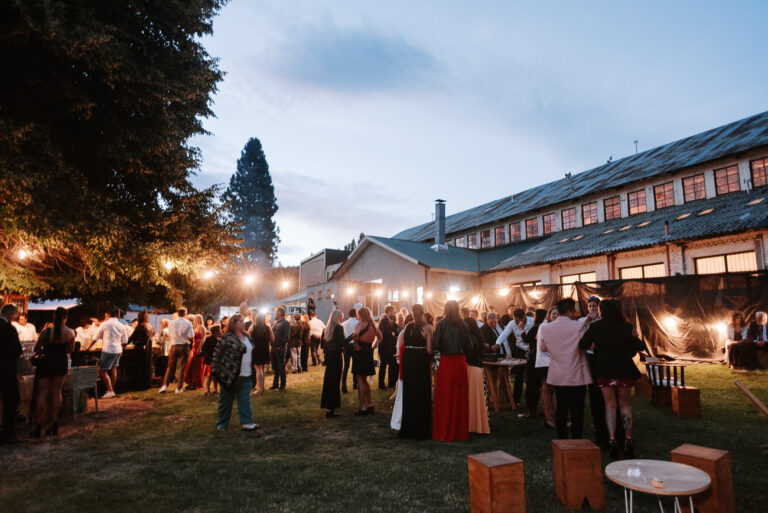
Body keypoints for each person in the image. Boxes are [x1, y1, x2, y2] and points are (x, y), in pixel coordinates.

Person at [579, 299, 644, 459]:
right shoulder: (626, 326)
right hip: (624, 370)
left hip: (605, 371)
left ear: (603, 311)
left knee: (610, 406)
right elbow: (639, 346)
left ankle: (612, 440)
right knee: (625, 404)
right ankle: (628, 440)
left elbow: (583, 344)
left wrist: (596, 345)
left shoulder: (596, 327)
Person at [539, 298, 592, 440]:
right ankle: (576, 438)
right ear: (569, 311)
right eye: (574, 310)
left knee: (561, 409)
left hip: (558, 374)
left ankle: (561, 438)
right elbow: (588, 345)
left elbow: (543, 348)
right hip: (577, 374)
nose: (575, 313)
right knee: (577, 410)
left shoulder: (546, 328)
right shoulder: (578, 326)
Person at [31, 307, 75, 439]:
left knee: (42, 393)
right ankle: (54, 424)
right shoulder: (70, 332)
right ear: (65, 318)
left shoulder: (47, 332)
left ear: (54, 317)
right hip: (60, 363)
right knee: (57, 392)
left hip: (47, 362)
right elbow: (70, 349)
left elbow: (37, 348)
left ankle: (38, 425)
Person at [212, 314, 259, 431]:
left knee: (244, 399)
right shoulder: (227, 337)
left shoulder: (247, 336)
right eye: (241, 321)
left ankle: (247, 422)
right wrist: (215, 371)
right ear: (234, 324)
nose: (244, 323)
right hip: (230, 375)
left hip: (246, 374)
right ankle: (222, 424)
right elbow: (217, 354)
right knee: (225, 401)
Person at [432, 300, 471, 442]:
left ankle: (445, 429)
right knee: (459, 397)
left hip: (447, 362)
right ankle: (460, 431)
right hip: (460, 361)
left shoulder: (441, 324)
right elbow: (468, 345)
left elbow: (436, 344)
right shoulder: (464, 324)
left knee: (446, 396)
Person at [397, 306, 433, 438]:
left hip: (408, 359)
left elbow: (402, 344)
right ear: (423, 313)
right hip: (420, 359)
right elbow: (429, 350)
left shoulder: (408, 327)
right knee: (421, 392)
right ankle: (421, 428)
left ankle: (408, 427)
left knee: (409, 392)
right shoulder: (427, 328)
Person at [493, 308, 529, 407]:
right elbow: (504, 334)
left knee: (530, 377)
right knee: (519, 376)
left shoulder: (531, 321)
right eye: (515, 319)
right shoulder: (512, 323)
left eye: (518, 320)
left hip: (531, 350)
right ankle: (515, 400)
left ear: (524, 317)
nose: (516, 322)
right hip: (520, 350)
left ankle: (529, 401)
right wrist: (497, 343)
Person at [88, 308, 127, 399]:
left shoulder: (105, 324)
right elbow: (125, 341)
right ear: (117, 315)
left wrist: (88, 348)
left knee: (102, 371)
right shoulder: (121, 325)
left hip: (108, 350)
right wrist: (120, 346)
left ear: (107, 315)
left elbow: (95, 337)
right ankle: (111, 390)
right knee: (114, 369)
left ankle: (110, 390)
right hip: (118, 350)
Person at [464, 308, 490, 435]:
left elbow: (468, 354)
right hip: (478, 369)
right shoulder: (478, 337)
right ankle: (477, 424)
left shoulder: (470, 339)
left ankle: (471, 424)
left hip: (470, 368)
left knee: (471, 398)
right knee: (477, 399)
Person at [352, 307, 382, 415]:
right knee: (364, 380)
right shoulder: (373, 326)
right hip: (368, 352)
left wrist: (355, 344)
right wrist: (373, 347)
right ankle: (369, 403)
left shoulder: (359, 324)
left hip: (360, 352)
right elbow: (380, 337)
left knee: (360, 379)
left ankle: (362, 407)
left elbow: (355, 334)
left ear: (360, 315)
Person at [0, 304, 23, 444]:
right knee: (12, 399)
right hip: (7, 369)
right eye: (16, 315)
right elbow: (18, 350)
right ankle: (9, 433)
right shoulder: (9, 328)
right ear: (10, 314)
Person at [158, 308, 194, 394]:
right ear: (185, 314)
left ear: (178, 313)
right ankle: (178, 388)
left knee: (169, 366)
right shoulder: (188, 323)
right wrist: (185, 337)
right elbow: (192, 336)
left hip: (174, 346)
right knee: (182, 367)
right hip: (184, 346)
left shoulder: (172, 323)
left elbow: (170, 334)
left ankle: (164, 386)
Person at [522, 309, 547, 419]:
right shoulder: (546, 326)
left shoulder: (537, 327)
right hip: (545, 360)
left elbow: (526, 339)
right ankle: (545, 409)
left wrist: (522, 329)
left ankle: (532, 409)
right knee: (545, 386)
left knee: (532, 384)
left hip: (534, 360)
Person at [536, 307, 558, 428]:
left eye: (557, 314)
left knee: (553, 388)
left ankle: (553, 413)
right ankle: (548, 417)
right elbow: (543, 345)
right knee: (546, 389)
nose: (555, 316)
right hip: (545, 362)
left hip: (553, 361)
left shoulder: (550, 326)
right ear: (549, 315)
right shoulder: (544, 326)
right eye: (553, 313)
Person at [321, 310, 346, 418]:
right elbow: (342, 342)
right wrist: (352, 337)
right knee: (335, 382)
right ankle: (332, 409)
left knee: (328, 381)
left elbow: (322, 345)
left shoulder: (325, 329)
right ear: (338, 317)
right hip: (336, 357)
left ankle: (328, 407)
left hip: (328, 357)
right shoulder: (339, 328)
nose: (342, 319)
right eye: (341, 317)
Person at [127, 310, 154, 390]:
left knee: (139, 367)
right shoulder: (150, 326)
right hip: (147, 348)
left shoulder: (140, 326)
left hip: (140, 348)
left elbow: (132, 337)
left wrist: (124, 344)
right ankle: (146, 384)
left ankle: (139, 384)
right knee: (147, 366)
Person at [250, 313, 272, 395]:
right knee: (262, 369)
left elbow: (248, 336)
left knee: (258, 369)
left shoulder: (253, 327)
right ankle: (262, 388)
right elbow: (272, 338)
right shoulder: (268, 327)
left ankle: (259, 389)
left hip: (256, 350)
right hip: (265, 350)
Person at [378, 305, 398, 391]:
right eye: (392, 312)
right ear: (389, 311)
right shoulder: (385, 319)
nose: (393, 313)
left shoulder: (386, 319)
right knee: (389, 365)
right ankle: (388, 384)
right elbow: (385, 332)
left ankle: (382, 384)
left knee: (384, 365)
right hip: (386, 346)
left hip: (385, 346)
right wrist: (393, 334)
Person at [270, 307, 290, 391]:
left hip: (280, 348)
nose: (274, 314)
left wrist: (280, 346)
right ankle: (275, 384)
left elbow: (286, 337)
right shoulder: (274, 323)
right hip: (273, 348)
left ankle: (282, 386)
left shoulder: (285, 323)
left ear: (279, 313)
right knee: (274, 367)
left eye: (275, 312)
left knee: (281, 367)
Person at [184, 314, 206, 390]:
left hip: (198, 347)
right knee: (191, 365)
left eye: (199, 318)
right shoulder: (195, 328)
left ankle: (198, 383)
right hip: (193, 347)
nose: (197, 320)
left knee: (198, 366)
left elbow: (203, 339)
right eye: (196, 318)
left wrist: (200, 348)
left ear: (201, 319)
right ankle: (192, 382)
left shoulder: (202, 327)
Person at [341, 308, 358, 393]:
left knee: (346, 366)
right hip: (354, 345)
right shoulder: (357, 323)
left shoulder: (344, 323)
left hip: (347, 345)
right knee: (355, 365)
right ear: (355, 314)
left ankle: (343, 385)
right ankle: (355, 384)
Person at [202, 324, 222, 395]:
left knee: (215, 376)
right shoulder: (209, 339)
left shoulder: (219, 339)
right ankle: (207, 390)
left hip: (216, 360)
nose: (221, 331)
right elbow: (204, 349)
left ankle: (215, 389)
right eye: (220, 330)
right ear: (216, 332)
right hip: (210, 360)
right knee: (209, 376)